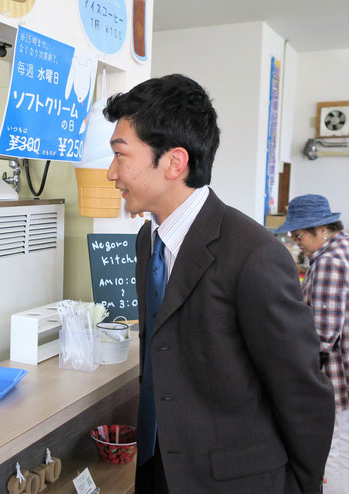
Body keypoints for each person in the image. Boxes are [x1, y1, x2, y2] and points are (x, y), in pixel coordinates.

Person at [103, 74, 335, 493]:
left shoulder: (253, 254)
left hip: (233, 479)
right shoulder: (147, 239)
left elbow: (302, 391)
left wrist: (303, 485)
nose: (110, 173)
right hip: (158, 463)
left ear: (174, 162)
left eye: (121, 156)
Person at [274, 194, 349, 494]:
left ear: (321, 228)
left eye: (299, 234)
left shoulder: (329, 262)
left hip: (337, 381)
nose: (296, 242)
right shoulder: (344, 249)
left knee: (334, 456)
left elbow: (321, 336)